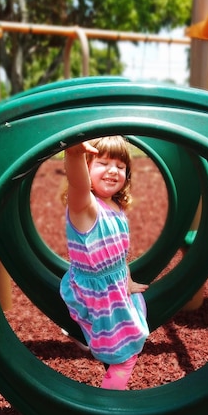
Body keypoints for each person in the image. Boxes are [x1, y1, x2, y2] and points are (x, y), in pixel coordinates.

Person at [60, 135, 149, 390]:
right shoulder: (85, 207)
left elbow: (119, 254)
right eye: (103, 163)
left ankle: (85, 336)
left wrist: (128, 281)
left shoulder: (115, 206)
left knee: (125, 327)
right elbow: (78, 185)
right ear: (87, 167)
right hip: (98, 295)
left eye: (120, 166)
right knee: (125, 356)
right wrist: (74, 155)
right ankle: (109, 403)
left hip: (114, 286)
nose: (113, 170)